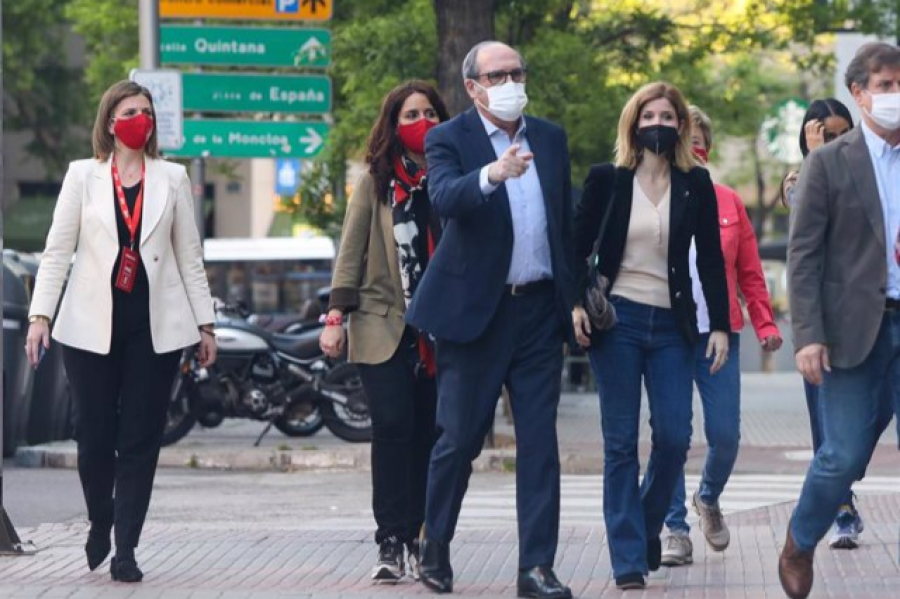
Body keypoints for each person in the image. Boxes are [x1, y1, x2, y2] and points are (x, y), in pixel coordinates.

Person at [24, 80, 217, 583]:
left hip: (154, 328)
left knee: (140, 438)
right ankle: (100, 518)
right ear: (111, 121)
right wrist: (39, 317)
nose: (142, 119)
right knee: (93, 436)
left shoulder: (171, 178)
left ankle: (126, 545)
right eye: (131, 111)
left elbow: (188, 257)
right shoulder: (81, 177)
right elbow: (56, 251)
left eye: (148, 112)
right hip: (89, 327)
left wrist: (206, 323)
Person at [406, 41, 575, 598]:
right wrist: (493, 174)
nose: (509, 82)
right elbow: (447, 199)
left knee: (539, 444)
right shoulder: (447, 138)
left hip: (538, 314)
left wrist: (574, 300)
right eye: (497, 75)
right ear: (473, 87)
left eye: (516, 72)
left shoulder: (548, 138)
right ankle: (434, 545)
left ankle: (536, 568)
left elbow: (562, 225)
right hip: (475, 313)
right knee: (459, 440)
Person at [571, 82, 730, 590]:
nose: (657, 123)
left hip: (673, 326)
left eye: (667, 116)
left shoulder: (695, 183)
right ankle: (627, 560)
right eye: (648, 116)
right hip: (617, 320)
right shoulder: (607, 180)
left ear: (680, 125)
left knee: (674, 437)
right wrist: (575, 302)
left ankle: (640, 525)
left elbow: (708, 258)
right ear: (633, 125)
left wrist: (721, 325)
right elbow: (574, 248)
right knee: (620, 444)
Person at [779, 42, 900, 599]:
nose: (896, 95)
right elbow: (803, 256)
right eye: (885, 85)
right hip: (854, 331)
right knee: (843, 454)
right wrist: (809, 336)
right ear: (858, 93)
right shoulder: (829, 163)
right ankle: (801, 539)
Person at [319, 80, 449, 584]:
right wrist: (335, 318)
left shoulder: (451, 178)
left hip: (440, 329)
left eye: (430, 113)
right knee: (392, 427)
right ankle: (389, 539)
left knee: (429, 434)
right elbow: (350, 252)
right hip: (381, 322)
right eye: (412, 114)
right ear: (394, 125)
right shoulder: (375, 183)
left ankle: (420, 533)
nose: (423, 122)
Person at [660, 105, 783, 567]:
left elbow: (750, 273)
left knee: (726, 435)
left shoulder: (729, 201)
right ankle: (675, 529)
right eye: (682, 143)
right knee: (671, 434)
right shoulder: (653, 197)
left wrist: (766, 324)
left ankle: (707, 497)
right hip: (668, 331)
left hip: (721, 331)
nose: (692, 151)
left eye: (698, 143)